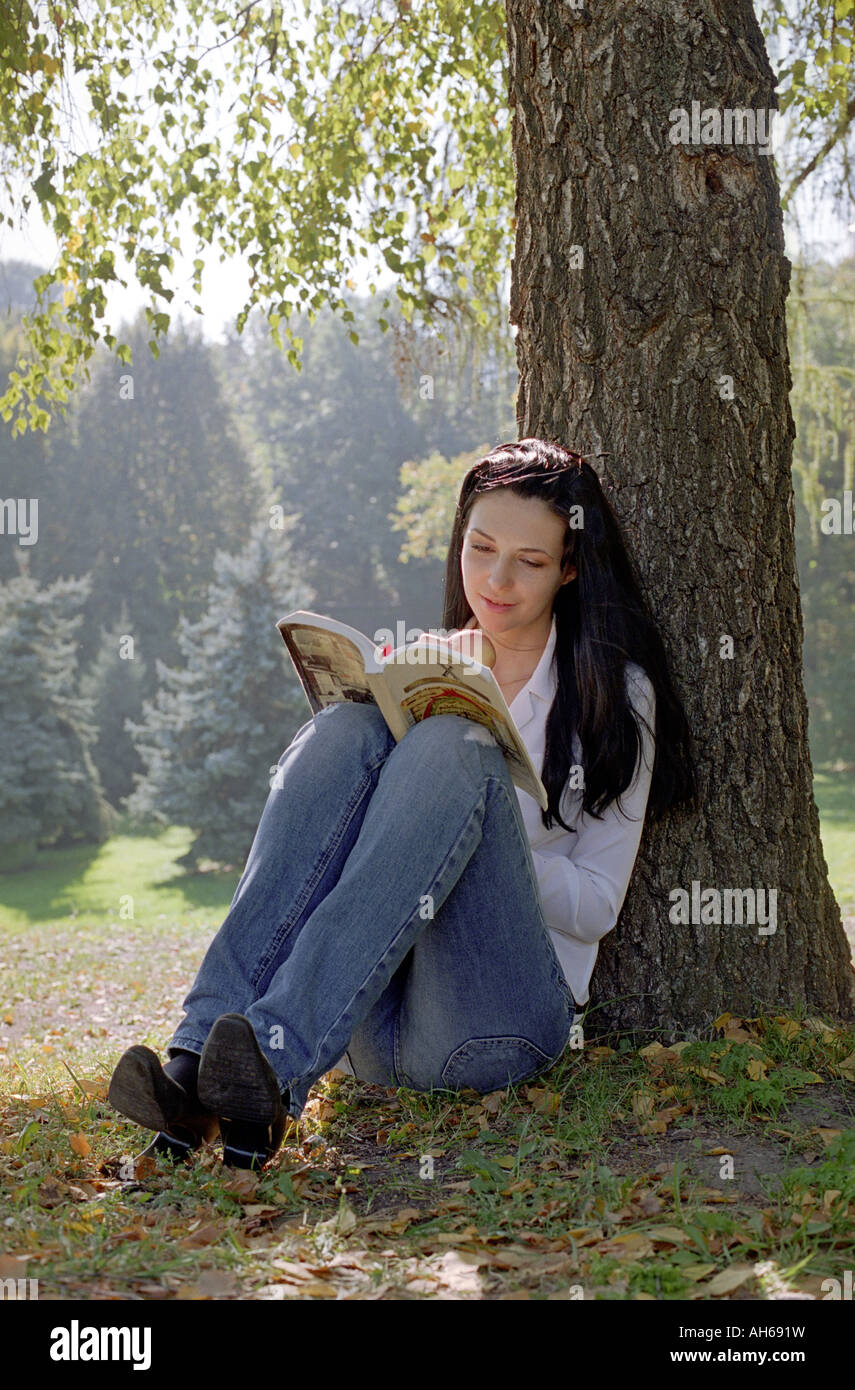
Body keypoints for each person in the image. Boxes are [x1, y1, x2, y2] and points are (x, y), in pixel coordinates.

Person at [108, 437, 697, 1169]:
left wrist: (477, 817)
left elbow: (597, 905)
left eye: (531, 561)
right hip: (363, 1030)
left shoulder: (613, 694)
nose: (497, 579)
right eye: (479, 548)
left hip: (488, 1028)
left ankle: (270, 1070)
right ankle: (196, 1065)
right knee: (346, 727)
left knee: (454, 747)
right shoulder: (426, 661)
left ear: (570, 570)